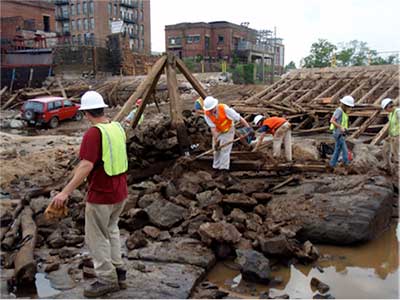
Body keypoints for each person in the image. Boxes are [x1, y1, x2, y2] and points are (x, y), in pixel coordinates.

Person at [50, 91, 128, 298]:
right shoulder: (117, 127)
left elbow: (86, 165)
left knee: (97, 237)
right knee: (111, 230)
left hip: (102, 193)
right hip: (120, 191)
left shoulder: (94, 133)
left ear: (86, 113)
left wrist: (65, 192)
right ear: (102, 108)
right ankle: (119, 272)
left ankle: (107, 279)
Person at [203, 96, 252, 173]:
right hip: (218, 131)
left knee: (225, 150)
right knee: (216, 150)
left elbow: (239, 118)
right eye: (209, 110)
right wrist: (216, 140)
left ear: (215, 105)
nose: (211, 111)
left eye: (212, 109)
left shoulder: (225, 109)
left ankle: (224, 169)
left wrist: (248, 128)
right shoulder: (207, 114)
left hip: (228, 130)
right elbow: (213, 128)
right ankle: (216, 168)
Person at [329, 95, 354, 168]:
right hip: (338, 133)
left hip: (341, 133)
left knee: (337, 150)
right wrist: (340, 127)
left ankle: (332, 164)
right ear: (345, 105)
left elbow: (342, 122)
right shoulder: (339, 111)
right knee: (345, 150)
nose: (350, 108)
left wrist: (345, 129)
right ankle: (346, 165)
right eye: (349, 107)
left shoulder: (343, 112)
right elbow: (332, 120)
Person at [381, 98, 399, 172]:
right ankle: (386, 165)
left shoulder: (398, 112)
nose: (386, 111)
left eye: (386, 109)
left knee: (396, 153)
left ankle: (397, 170)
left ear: (389, 106)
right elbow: (391, 125)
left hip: (398, 135)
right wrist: (389, 135)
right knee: (385, 149)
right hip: (392, 135)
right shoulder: (390, 114)